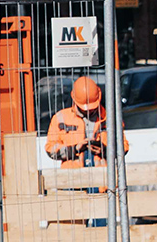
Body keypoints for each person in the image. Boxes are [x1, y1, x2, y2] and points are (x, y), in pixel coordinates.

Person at [44, 76, 128, 228]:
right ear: (73, 99)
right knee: (72, 230)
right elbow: (50, 149)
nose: (89, 111)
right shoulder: (61, 118)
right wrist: (74, 149)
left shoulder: (110, 118)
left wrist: (105, 150)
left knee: (101, 231)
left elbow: (123, 147)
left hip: (101, 183)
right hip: (72, 182)